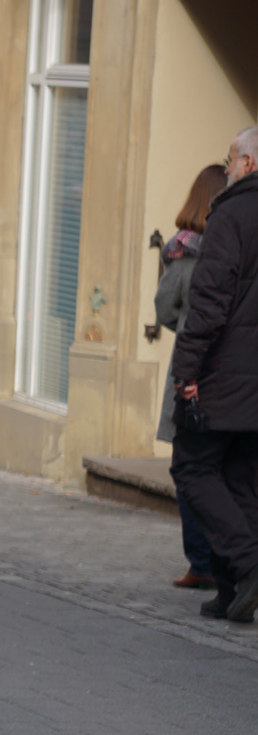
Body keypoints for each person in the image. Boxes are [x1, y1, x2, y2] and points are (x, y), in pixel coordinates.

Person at [169, 126, 258, 622]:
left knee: (193, 467)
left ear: (248, 163)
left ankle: (248, 566)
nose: (225, 170)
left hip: (224, 374)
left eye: (230, 160)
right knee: (241, 480)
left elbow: (207, 306)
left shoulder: (230, 214)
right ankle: (232, 593)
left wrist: (186, 373)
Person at [155, 164, 227, 592]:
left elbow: (164, 311)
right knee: (224, 470)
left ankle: (201, 561)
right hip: (231, 376)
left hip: (191, 376)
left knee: (187, 467)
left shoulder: (183, 254)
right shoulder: (236, 247)